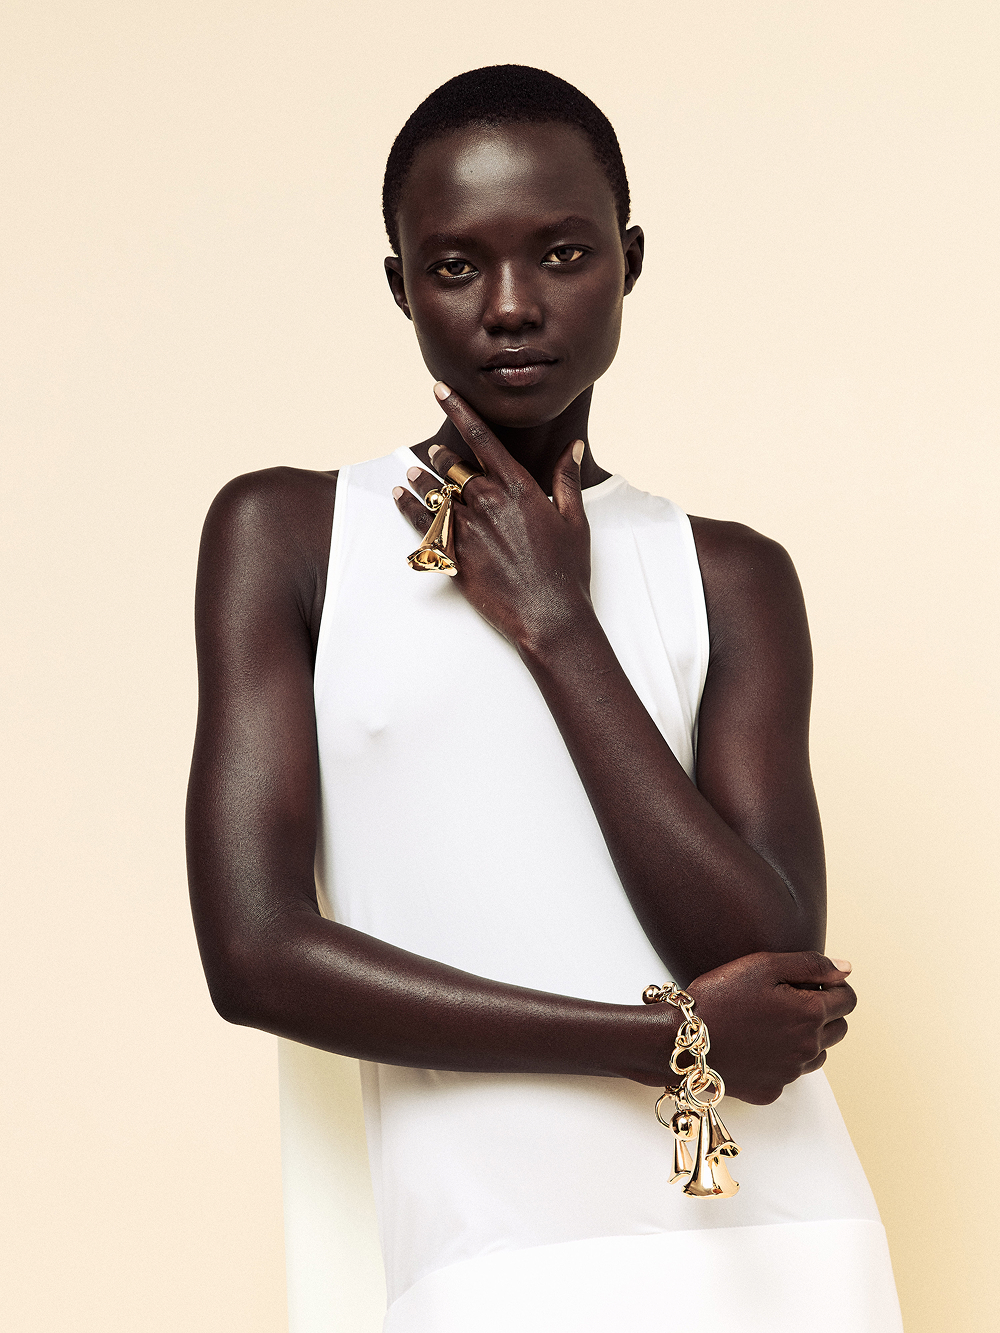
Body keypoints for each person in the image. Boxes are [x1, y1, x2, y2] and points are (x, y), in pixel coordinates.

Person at [187, 65, 903, 1332]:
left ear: (629, 261)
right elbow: (256, 955)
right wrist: (657, 1039)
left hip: (780, 1244)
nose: (512, 305)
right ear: (400, 284)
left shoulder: (728, 573)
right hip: (486, 1256)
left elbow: (765, 954)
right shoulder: (289, 535)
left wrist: (559, 627)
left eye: (563, 253)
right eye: (456, 266)